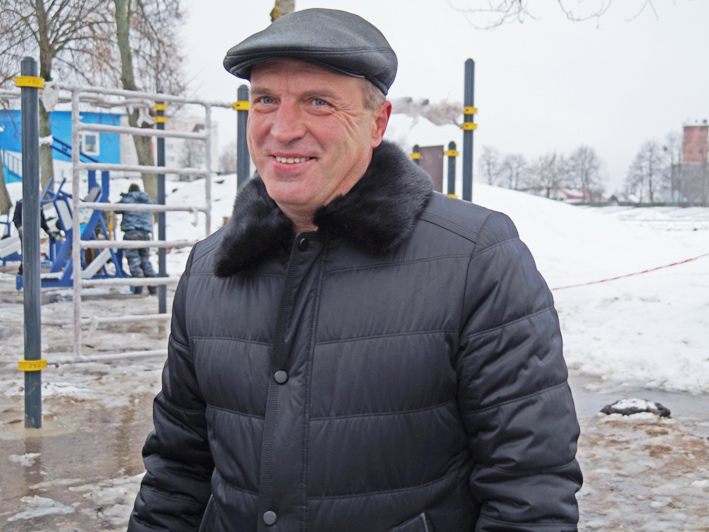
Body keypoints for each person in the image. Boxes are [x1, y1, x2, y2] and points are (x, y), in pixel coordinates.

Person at [128, 8, 582, 532]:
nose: (283, 129)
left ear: (377, 123)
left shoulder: (476, 259)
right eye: (266, 100)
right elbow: (176, 472)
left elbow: (529, 491)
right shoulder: (210, 269)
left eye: (318, 102)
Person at [118, 183, 157, 295]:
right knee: (145, 260)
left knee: (134, 261)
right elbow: (153, 209)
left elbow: (116, 209)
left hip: (131, 233)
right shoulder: (146, 200)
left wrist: (124, 196)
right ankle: (153, 287)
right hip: (145, 233)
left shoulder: (127, 199)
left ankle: (138, 287)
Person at [13, 199, 56, 275]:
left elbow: (43, 221)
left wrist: (50, 233)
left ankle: (34, 272)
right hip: (25, 231)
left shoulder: (38, 204)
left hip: (35, 233)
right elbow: (16, 219)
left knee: (35, 253)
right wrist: (20, 230)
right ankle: (24, 271)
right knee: (26, 253)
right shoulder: (21, 203)